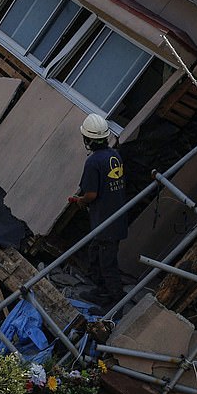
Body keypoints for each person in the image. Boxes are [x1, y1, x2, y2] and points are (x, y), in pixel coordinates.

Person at [69, 113, 128, 305]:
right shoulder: (114, 155)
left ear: (88, 139)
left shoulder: (93, 162)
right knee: (95, 254)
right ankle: (101, 291)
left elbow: (91, 194)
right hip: (115, 218)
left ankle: (115, 303)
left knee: (108, 264)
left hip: (105, 222)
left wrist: (81, 201)